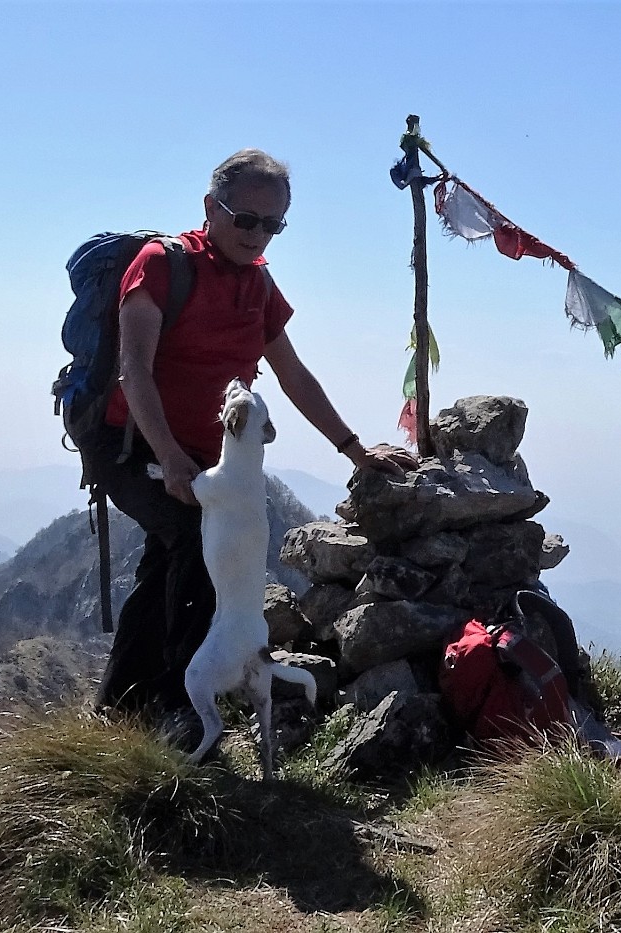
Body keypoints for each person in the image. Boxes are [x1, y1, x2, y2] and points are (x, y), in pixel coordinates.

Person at [90, 148, 416, 726]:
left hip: (197, 454)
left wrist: (354, 449)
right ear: (211, 208)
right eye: (246, 220)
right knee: (196, 541)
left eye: (273, 225)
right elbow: (133, 369)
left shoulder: (257, 285)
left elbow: (293, 375)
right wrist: (169, 460)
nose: (259, 235)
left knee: (168, 558)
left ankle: (123, 705)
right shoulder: (162, 265)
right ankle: (174, 705)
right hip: (128, 442)